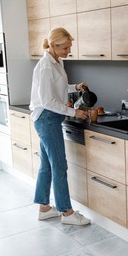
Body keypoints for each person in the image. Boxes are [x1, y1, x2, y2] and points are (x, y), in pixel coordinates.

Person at [29, 27, 90, 225]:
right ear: (53, 45)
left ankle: (44, 208)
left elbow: (59, 87)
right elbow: (47, 101)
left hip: (49, 118)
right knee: (60, 166)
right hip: (47, 118)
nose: (68, 51)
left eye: (69, 47)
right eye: (65, 48)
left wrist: (75, 87)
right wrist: (74, 112)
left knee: (47, 165)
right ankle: (67, 212)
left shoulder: (56, 61)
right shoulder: (46, 66)